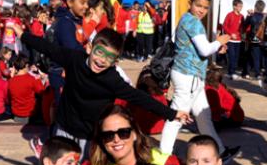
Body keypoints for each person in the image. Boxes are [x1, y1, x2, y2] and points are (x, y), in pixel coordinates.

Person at [23, 27, 181, 155]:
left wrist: (172, 114)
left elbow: (139, 97)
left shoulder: (112, 79)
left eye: (109, 57)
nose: (101, 60)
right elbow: (49, 49)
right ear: (89, 48)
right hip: (64, 127)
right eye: (99, 52)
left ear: (115, 62)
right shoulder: (74, 59)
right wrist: (23, 35)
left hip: (90, 135)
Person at [158, 0, 237, 159]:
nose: (201, 10)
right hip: (188, 77)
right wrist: (219, 41)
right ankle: (163, 159)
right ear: (190, 3)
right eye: (198, 5)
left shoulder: (188, 19)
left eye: (205, 7)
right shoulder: (192, 22)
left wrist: (216, 46)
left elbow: (201, 49)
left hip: (191, 76)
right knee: (177, 118)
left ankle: (220, 152)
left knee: (203, 117)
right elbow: (205, 49)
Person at [7, 55, 49, 125]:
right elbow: (42, 92)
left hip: (16, 113)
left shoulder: (10, 81)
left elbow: (9, 98)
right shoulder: (32, 79)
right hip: (30, 114)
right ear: (26, 65)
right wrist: (43, 80)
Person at [221, 0, 245, 79]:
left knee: (236, 56)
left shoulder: (242, 16)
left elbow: (243, 27)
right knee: (231, 56)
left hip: (238, 40)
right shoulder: (229, 15)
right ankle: (232, 72)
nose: (241, 8)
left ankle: (231, 72)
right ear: (234, 6)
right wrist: (231, 34)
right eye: (239, 6)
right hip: (230, 40)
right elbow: (224, 26)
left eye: (241, 6)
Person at [244, 0, 267, 80]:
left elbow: (245, 25)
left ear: (255, 7)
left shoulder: (252, 16)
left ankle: (246, 72)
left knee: (251, 55)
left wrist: (248, 15)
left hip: (252, 38)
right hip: (261, 39)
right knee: (257, 56)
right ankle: (256, 73)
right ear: (263, 8)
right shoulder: (265, 17)